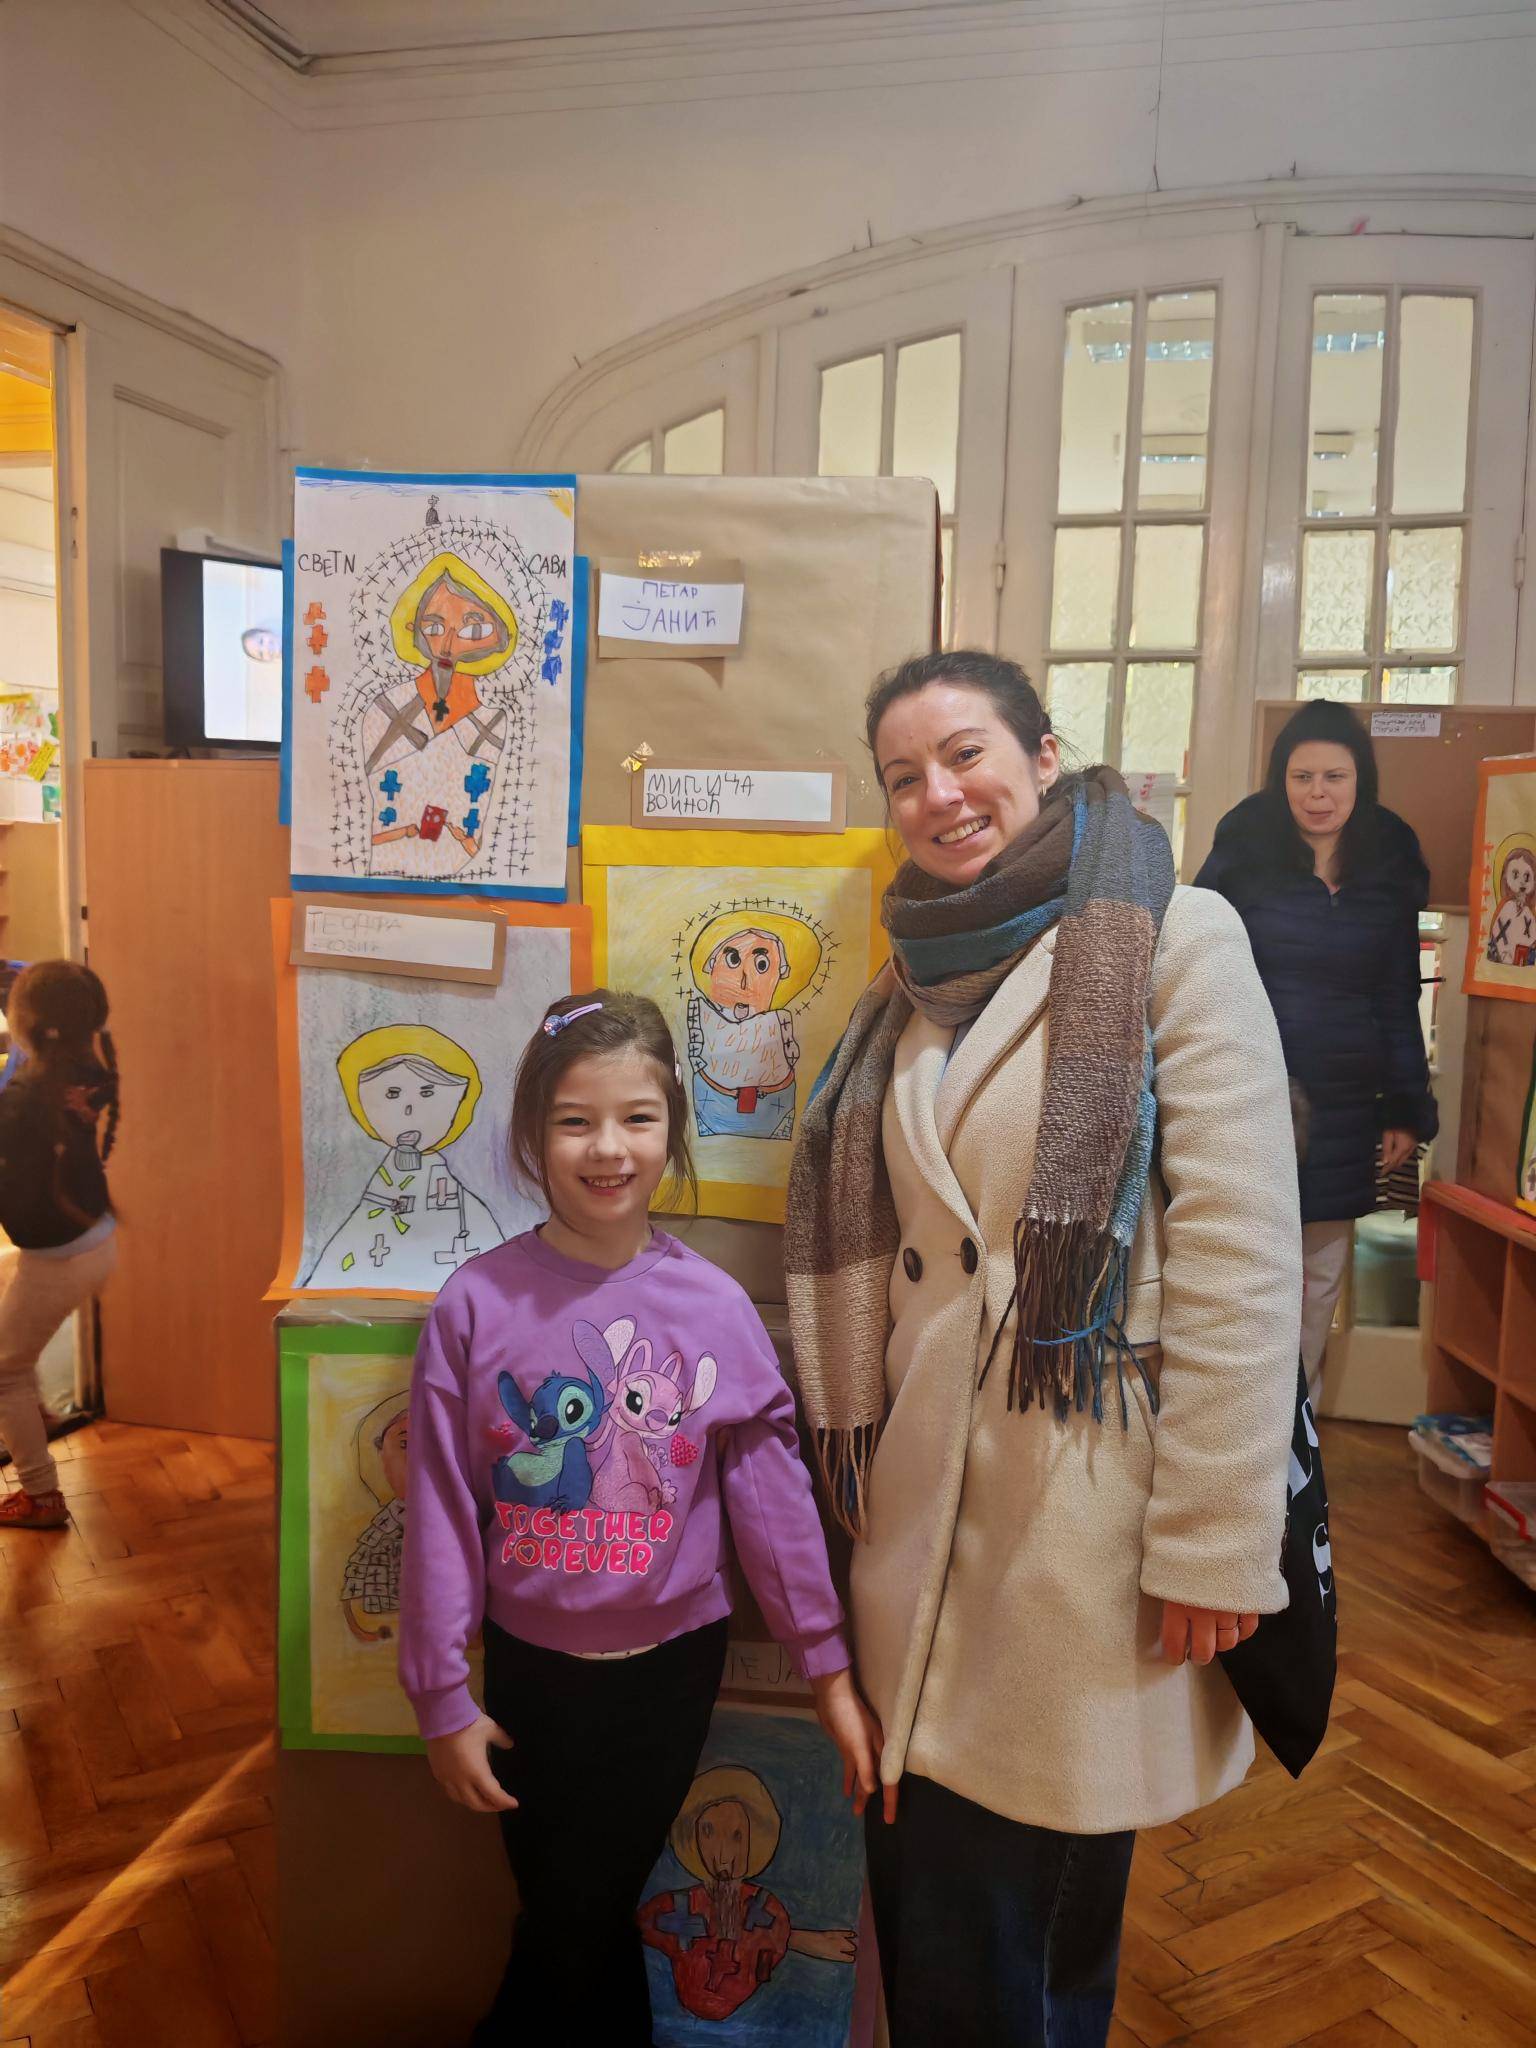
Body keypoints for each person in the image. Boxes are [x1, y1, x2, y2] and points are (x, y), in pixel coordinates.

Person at [783, 650, 1301, 2048]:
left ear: (1043, 754)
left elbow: (1245, 1253)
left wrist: (1216, 1539)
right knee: (951, 1939)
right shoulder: (908, 983)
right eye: (905, 776)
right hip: (921, 1528)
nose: (939, 795)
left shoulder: (1173, 934)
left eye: (965, 754)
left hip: (1086, 1528)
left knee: (1020, 1955)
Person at [398, 988, 879, 2045]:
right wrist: (438, 1692)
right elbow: (438, 1503)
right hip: (529, 1670)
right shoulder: (475, 1303)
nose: (608, 1147)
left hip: (669, 1673)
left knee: (576, 1914)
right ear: (533, 1133)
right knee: (572, 1916)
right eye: (575, 1120)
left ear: (673, 1128)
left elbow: (773, 1505)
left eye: (637, 1117)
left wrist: (828, 1668)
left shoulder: (713, 1307)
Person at [1196, 697, 1437, 1405]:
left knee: (1318, 1281)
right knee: (1237, 1267)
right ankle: (1227, 1420)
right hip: (1247, 1089)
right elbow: (1198, 964)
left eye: (1335, 777)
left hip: (1345, 1101)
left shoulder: (1388, 860)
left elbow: (1397, 991)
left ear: (1360, 781)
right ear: (1282, 780)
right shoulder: (1244, 849)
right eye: (1302, 777)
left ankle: (1293, 1439)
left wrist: (1404, 1108)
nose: (1318, 794)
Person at [0, 962, 121, 1531]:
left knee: (3, 1371)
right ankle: (40, 1413)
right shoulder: (86, 1067)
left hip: (61, 1255)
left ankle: (42, 1495)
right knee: (15, 1337)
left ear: (24, 1021)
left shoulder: (26, 1097)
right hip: (95, 1238)